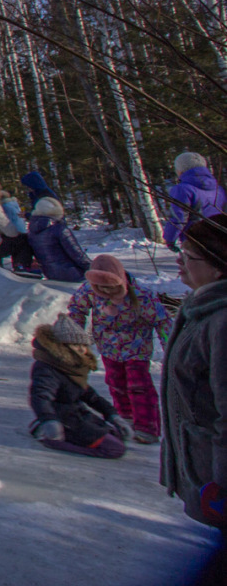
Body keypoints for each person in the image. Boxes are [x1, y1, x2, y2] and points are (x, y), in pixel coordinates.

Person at [163, 213, 227, 528]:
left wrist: (222, 485)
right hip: (204, 467)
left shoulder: (221, 321)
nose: (179, 261)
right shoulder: (202, 307)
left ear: (217, 268)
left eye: (189, 256)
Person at [67, 254, 170, 444]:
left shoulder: (141, 295)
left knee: (138, 385)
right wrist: (76, 336)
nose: (107, 293)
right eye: (102, 289)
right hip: (108, 347)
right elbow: (76, 308)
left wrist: (170, 346)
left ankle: (147, 426)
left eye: (112, 289)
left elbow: (162, 321)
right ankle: (125, 418)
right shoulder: (89, 291)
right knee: (115, 382)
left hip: (136, 347)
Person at [28, 315, 128, 459]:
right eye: (75, 345)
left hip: (76, 414)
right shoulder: (48, 368)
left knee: (117, 436)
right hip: (61, 417)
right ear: (61, 346)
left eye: (84, 345)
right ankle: (49, 438)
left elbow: (89, 395)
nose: (82, 350)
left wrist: (112, 415)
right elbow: (41, 396)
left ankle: (47, 429)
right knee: (114, 449)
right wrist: (49, 420)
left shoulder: (73, 366)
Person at [165, 152, 227, 249]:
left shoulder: (182, 189)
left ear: (181, 170)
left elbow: (178, 217)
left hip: (195, 240)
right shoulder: (218, 189)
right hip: (219, 238)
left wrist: (170, 239)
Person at [26, 198, 90, 283]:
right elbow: (75, 253)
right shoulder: (59, 229)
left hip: (50, 275)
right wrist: (91, 267)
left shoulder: (32, 232)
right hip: (72, 274)